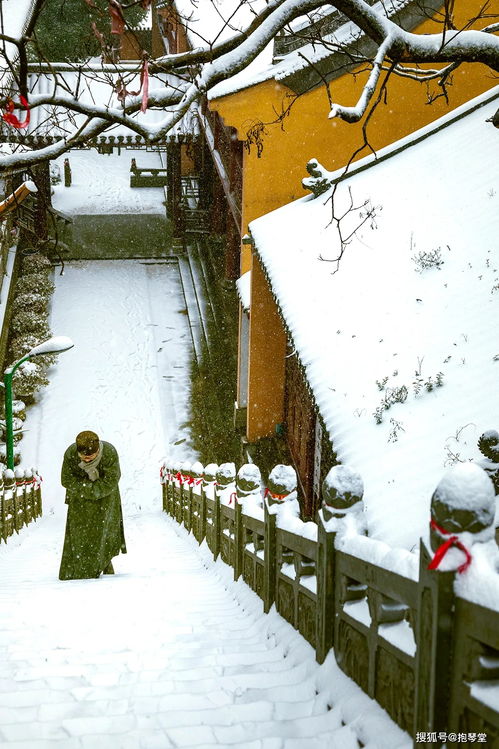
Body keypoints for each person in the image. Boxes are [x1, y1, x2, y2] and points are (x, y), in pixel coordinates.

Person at [59, 430, 127, 580]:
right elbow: (66, 479)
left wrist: (91, 491)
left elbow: (111, 480)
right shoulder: (71, 453)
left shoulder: (109, 452)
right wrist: (87, 491)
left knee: (104, 532)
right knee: (79, 534)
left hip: (106, 498)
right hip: (79, 500)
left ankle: (104, 563)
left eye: (91, 456)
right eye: (83, 456)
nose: (87, 460)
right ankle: (80, 569)